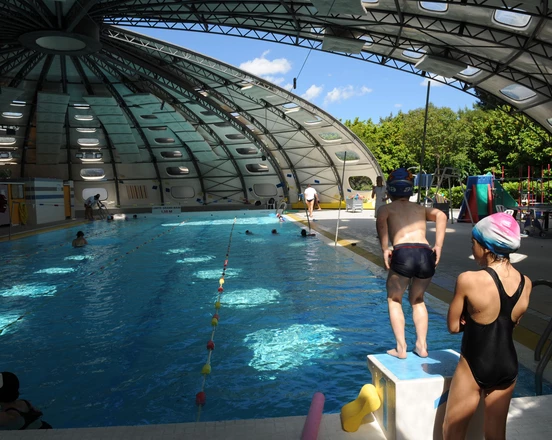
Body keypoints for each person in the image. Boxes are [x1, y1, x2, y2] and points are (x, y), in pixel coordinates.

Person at [443, 213, 532, 440]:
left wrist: (469, 319)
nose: (472, 249)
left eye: (473, 243)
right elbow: (513, 322)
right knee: (496, 435)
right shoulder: (526, 283)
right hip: (508, 365)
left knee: (452, 432)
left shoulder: (468, 279)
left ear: (486, 247)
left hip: (474, 364)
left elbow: (453, 326)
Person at [376, 167, 447, 359]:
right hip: (425, 253)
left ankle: (401, 348)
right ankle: (422, 346)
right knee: (418, 300)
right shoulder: (420, 208)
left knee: (394, 299)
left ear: (390, 190)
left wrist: (385, 249)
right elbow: (442, 215)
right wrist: (438, 245)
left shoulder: (386, 209)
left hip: (403, 252)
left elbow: (381, 225)